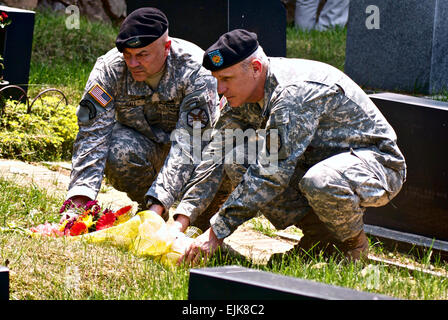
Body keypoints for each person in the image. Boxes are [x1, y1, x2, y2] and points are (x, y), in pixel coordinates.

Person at [178, 29, 406, 265]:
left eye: (226, 79)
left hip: (376, 163)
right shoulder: (245, 91)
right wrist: (182, 217)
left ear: (256, 68)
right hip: (313, 162)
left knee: (320, 180)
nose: (219, 90)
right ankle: (319, 239)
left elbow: (271, 172)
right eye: (217, 80)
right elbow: (216, 152)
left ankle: (353, 247)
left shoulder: (293, 93)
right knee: (238, 160)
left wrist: (216, 233)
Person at [62, 7, 220, 233]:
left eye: (142, 55)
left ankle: (201, 223)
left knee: (224, 156)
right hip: (146, 148)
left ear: (166, 47)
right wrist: (79, 200)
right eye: (128, 54)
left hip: (197, 155)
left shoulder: (196, 70)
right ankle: (149, 208)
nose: (132, 63)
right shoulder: (110, 69)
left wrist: (160, 204)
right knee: (117, 150)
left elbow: (190, 145)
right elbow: (92, 135)